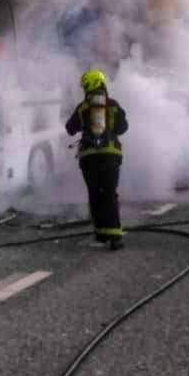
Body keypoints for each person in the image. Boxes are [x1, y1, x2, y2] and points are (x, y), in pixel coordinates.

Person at [65, 68, 128, 250]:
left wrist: (84, 124)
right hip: (110, 156)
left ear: (88, 86)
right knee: (109, 193)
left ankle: (101, 233)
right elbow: (123, 128)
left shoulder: (83, 107)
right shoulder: (113, 105)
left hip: (89, 159)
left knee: (94, 194)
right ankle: (115, 237)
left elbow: (69, 128)